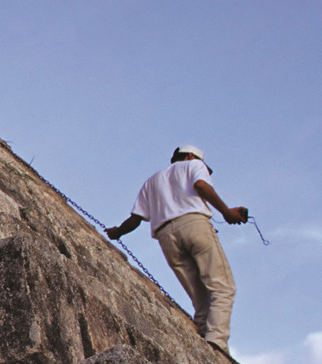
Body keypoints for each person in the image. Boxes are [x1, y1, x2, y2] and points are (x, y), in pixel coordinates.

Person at [105, 145, 246, 354]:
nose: (205, 171)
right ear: (190, 156)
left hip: (166, 237)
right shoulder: (193, 165)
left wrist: (118, 232)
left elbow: (136, 219)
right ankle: (217, 343)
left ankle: (204, 339)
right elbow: (200, 185)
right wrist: (226, 211)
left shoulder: (152, 181)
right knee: (222, 288)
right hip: (194, 225)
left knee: (199, 296)